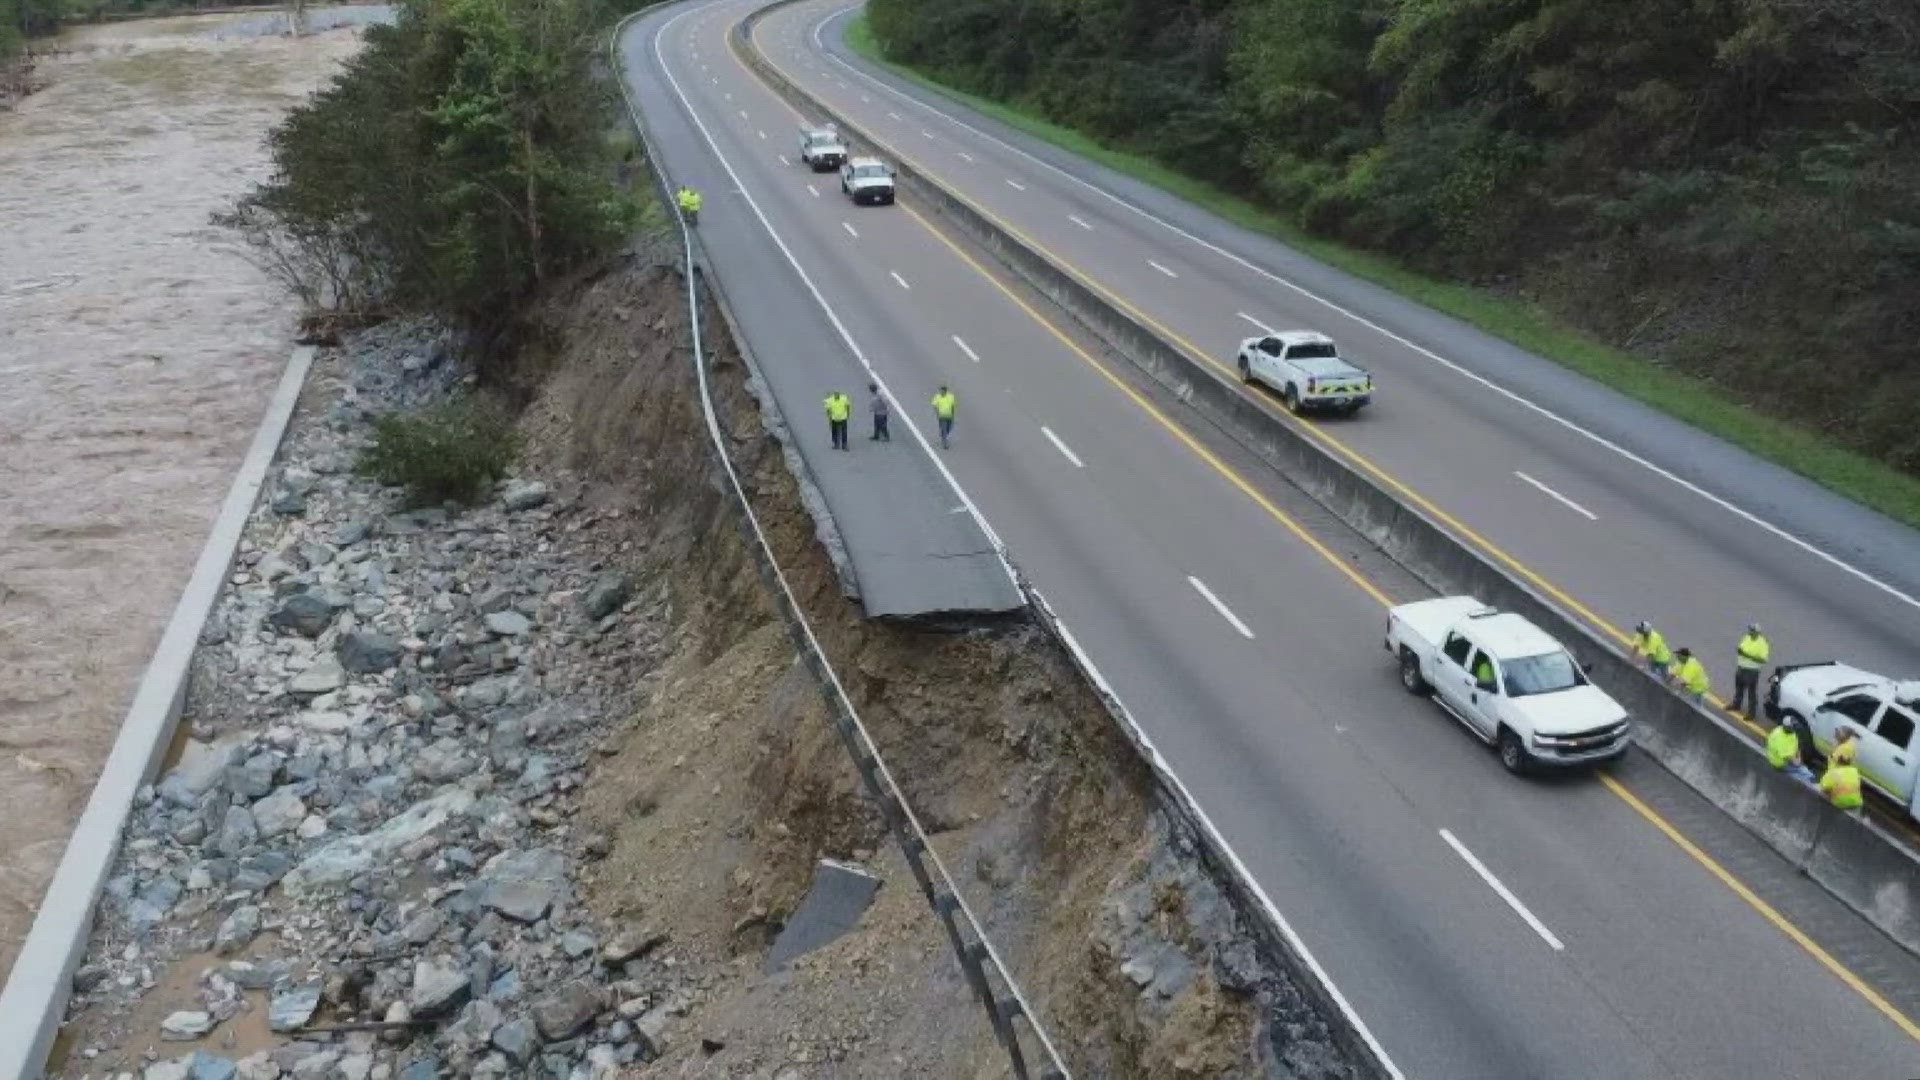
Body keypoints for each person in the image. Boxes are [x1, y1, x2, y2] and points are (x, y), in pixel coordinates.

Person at [1731, 623, 1770, 717]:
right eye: (1750, 630)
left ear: (1757, 632)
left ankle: (1751, 713)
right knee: (1739, 688)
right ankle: (1736, 705)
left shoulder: (1762, 644)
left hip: (1751, 671)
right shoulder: (1747, 637)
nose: (1749, 632)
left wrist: (1746, 655)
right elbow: (1741, 648)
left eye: (1752, 630)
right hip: (1741, 668)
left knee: (1751, 692)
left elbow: (1763, 659)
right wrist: (1739, 651)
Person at [1766, 718, 1812, 782]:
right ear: (1789, 728)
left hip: (1787, 756)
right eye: (1793, 727)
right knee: (1806, 774)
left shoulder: (1783, 730)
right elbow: (1793, 761)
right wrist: (1799, 761)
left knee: (1802, 768)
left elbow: (1796, 746)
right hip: (1780, 763)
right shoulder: (1781, 741)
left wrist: (1798, 754)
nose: (1795, 729)